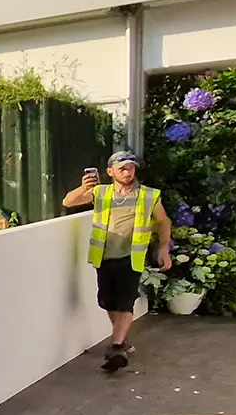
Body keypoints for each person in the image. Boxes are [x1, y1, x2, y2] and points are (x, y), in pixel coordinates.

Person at [62, 151, 172, 371]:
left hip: (131, 257)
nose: (127, 171)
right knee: (107, 302)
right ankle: (120, 340)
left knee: (125, 302)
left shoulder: (148, 195)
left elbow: (163, 220)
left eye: (130, 167)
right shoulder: (101, 192)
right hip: (104, 256)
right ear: (110, 171)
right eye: (122, 168)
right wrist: (84, 188)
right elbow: (68, 201)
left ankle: (116, 345)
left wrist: (163, 248)